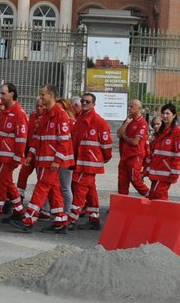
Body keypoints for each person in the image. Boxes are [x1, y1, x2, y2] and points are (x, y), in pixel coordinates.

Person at [15, 85, 72, 233]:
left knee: (41, 188)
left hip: (50, 162)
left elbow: (64, 140)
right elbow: (37, 138)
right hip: (43, 160)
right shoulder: (46, 115)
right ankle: (60, 220)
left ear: (51, 95)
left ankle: (29, 219)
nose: (40, 98)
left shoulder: (61, 114)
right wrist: (30, 155)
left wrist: (57, 160)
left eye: (42, 95)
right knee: (54, 190)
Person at [0, 82, 27, 222]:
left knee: (1, 184)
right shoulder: (5, 112)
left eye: (3, 93)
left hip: (8, 158)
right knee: (7, 183)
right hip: (1, 155)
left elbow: (21, 138)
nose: (1, 96)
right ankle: (19, 211)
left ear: (12, 94)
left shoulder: (18, 113)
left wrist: (17, 157)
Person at [69, 92, 112, 229]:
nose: (84, 104)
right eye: (83, 101)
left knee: (80, 189)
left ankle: (72, 218)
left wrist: (102, 159)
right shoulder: (80, 119)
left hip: (90, 164)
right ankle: (94, 219)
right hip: (81, 162)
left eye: (87, 101)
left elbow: (107, 145)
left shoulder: (99, 122)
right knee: (90, 190)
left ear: (94, 104)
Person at [145, 103, 180, 200]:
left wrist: (175, 173)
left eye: (168, 113)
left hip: (166, 172)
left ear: (174, 115)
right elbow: (153, 153)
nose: (165, 116)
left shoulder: (177, 133)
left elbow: (179, 155)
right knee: (155, 196)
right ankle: (164, 215)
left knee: (157, 195)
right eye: (163, 113)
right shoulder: (160, 131)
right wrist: (147, 169)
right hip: (156, 171)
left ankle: (161, 214)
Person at [117, 97, 150, 197]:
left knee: (135, 180)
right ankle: (122, 204)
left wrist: (125, 136)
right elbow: (119, 134)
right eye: (129, 106)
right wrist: (126, 123)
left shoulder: (142, 123)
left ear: (139, 108)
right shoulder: (128, 120)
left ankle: (151, 196)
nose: (129, 108)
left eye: (132, 106)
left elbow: (135, 142)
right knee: (122, 181)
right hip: (124, 156)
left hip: (135, 156)